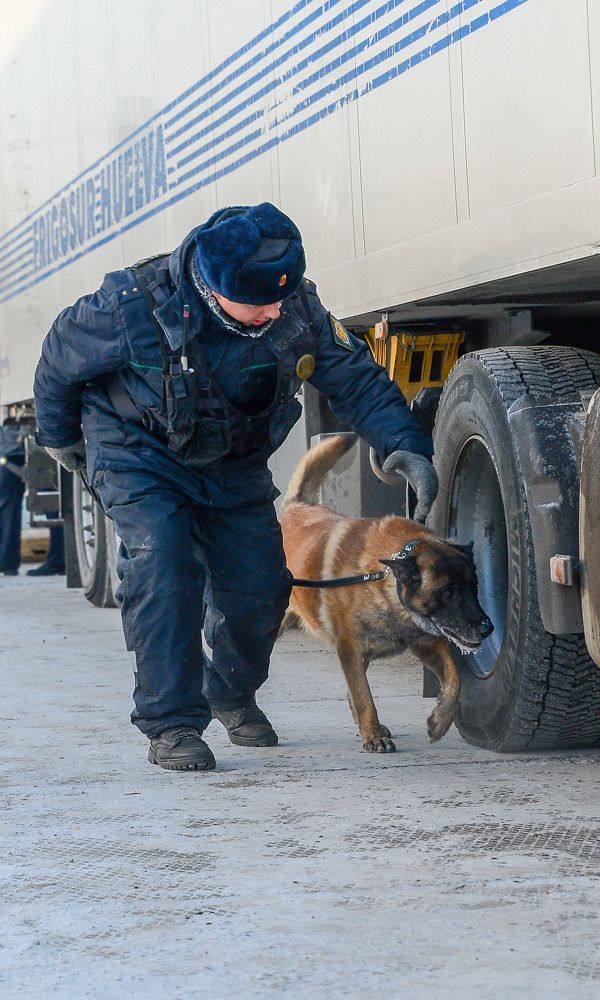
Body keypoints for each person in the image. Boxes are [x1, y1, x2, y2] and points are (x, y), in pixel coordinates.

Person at [33, 203, 437, 772]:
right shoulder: (131, 308)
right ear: (212, 287)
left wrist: (405, 445)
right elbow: (57, 359)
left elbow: (353, 375)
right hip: (139, 452)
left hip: (231, 460)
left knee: (261, 588)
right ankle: (171, 722)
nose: (274, 311)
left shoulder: (295, 308)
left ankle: (228, 689)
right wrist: (60, 438)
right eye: (259, 302)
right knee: (163, 565)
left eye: (280, 297)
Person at [0, 413, 26, 576]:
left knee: (8, 510)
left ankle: (7, 561)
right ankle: (7, 561)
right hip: (9, 453)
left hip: (10, 454)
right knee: (8, 510)